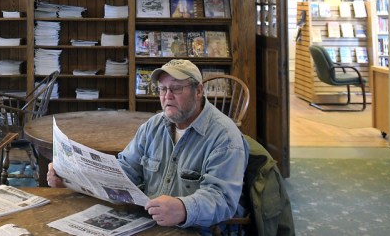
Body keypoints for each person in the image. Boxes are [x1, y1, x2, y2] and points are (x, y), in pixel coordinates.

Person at [47, 59, 249, 232]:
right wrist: (69, 177)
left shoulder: (225, 137)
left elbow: (222, 199)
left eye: (176, 88)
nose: (167, 96)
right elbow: (125, 171)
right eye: (162, 89)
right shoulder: (153, 126)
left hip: (196, 230)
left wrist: (183, 208)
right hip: (148, 223)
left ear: (198, 91)